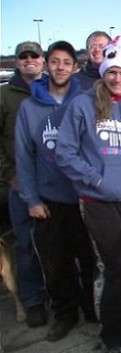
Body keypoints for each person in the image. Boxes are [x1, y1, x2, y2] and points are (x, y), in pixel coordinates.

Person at [55, 36, 121, 353]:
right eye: (112, 72)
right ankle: (111, 336)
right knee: (116, 268)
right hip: (98, 201)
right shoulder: (82, 105)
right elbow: (65, 153)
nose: (118, 79)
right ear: (103, 73)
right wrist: (97, 181)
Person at [14, 41, 97, 341]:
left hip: (86, 197)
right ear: (47, 66)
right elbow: (24, 156)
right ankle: (65, 313)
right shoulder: (29, 107)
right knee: (56, 262)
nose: (60, 67)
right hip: (50, 200)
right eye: (54, 61)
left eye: (66, 62)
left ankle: (91, 307)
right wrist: (32, 199)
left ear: (75, 68)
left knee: (89, 258)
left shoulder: (87, 100)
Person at [0, 41, 48, 328]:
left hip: (54, 183)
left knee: (55, 246)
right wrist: (8, 173)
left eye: (35, 56)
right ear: (17, 62)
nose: (30, 60)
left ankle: (60, 296)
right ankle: (33, 302)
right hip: (20, 185)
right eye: (24, 56)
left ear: (42, 61)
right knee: (27, 246)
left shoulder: (53, 91)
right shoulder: (4, 96)